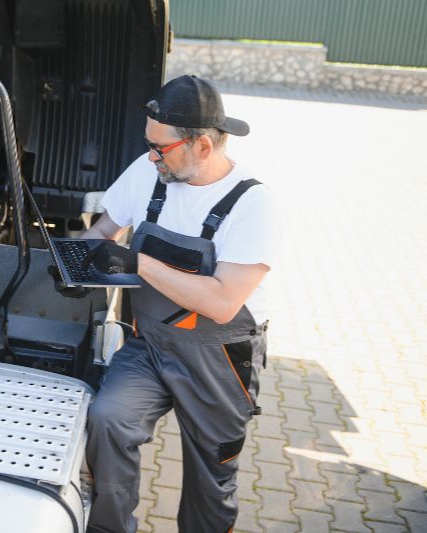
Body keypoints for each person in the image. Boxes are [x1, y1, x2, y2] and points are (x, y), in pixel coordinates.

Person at [74, 75, 277, 532]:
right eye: (148, 144)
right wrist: (75, 263)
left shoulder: (252, 204)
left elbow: (224, 302)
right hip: (151, 346)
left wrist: (137, 262)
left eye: (160, 148)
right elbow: (104, 232)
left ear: (202, 146)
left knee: (211, 479)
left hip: (218, 359)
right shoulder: (150, 171)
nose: (150, 156)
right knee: (108, 422)